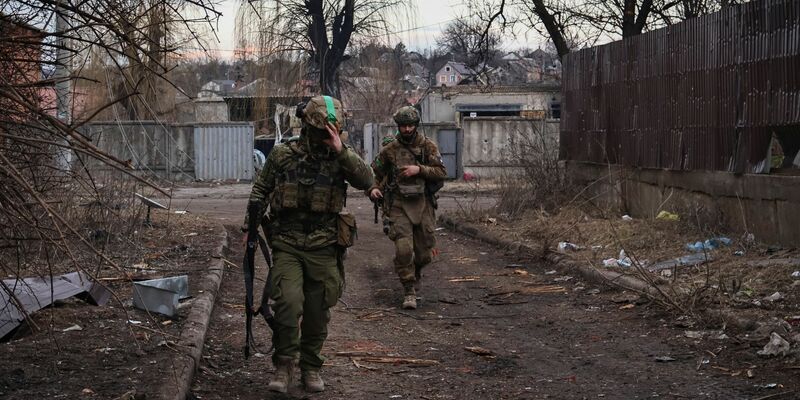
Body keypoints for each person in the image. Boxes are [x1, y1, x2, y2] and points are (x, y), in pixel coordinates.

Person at [243, 95, 374, 393]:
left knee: (318, 311)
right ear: (306, 127)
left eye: (331, 130)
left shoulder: (341, 155)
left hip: (325, 245)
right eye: (320, 130)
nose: (324, 136)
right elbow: (260, 190)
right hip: (287, 243)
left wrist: (341, 152)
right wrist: (248, 229)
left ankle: (311, 367)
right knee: (288, 304)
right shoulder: (283, 155)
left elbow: (368, 180)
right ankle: (284, 365)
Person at [368, 106, 447, 309]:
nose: (407, 129)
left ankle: (417, 271)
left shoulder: (428, 146)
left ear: (416, 125)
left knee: (424, 253)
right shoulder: (389, 150)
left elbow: (441, 172)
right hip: (398, 205)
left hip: (423, 204)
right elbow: (375, 173)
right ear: (398, 126)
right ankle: (409, 289)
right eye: (403, 126)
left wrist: (418, 169)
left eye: (410, 125)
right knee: (404, 250)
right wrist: (374, 189)